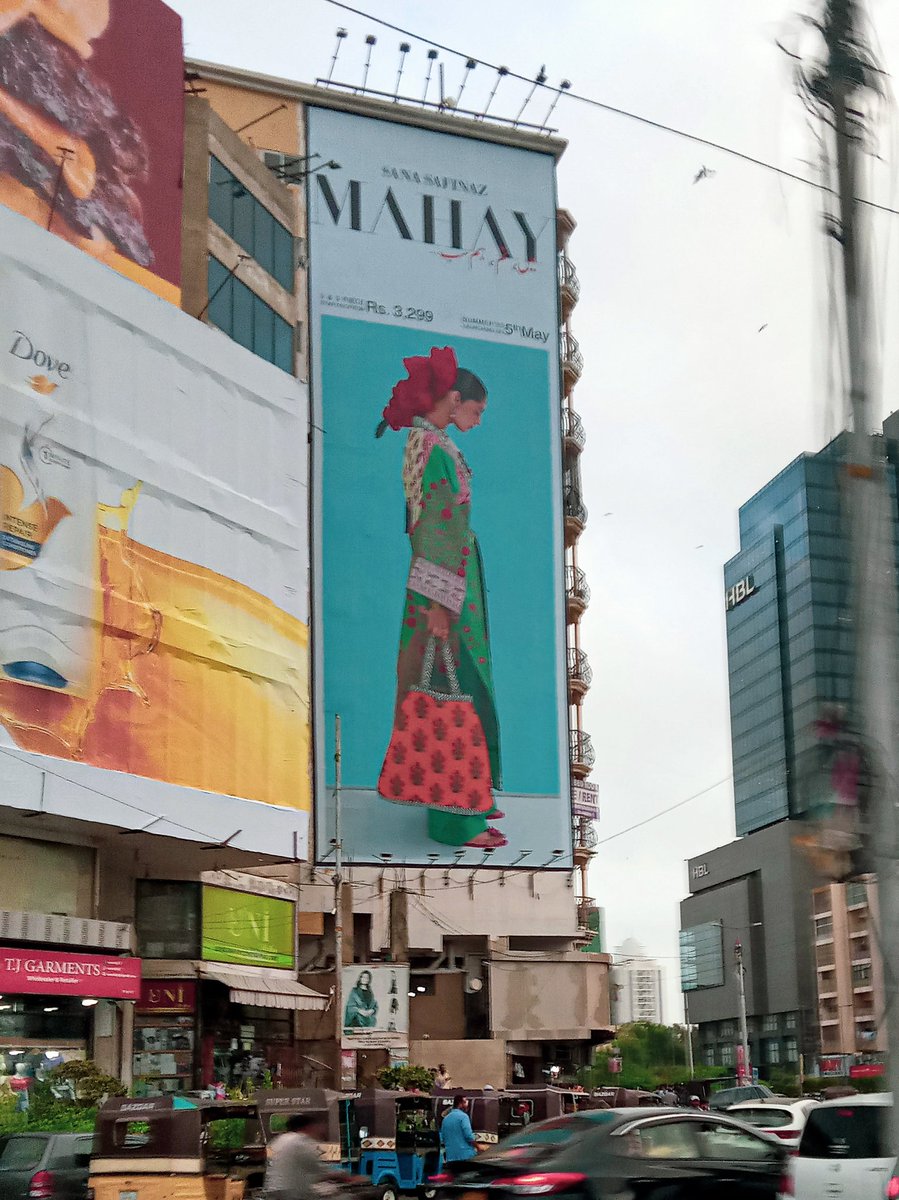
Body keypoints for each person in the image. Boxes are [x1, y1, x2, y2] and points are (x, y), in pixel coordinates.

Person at [376, 345, 504, 849]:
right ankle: (455, 818)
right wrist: (440, 606)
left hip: (448, 584)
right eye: (475, 411)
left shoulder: (429, 444)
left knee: (453, 688)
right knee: (453, 689)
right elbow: (436, 527)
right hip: (444, 590)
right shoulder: (431, 450)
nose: (476, 422)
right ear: (454, 399)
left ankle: (469, 802)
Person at [265, 1112, 328, 1200]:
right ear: (307, 1127)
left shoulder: (279, 1139)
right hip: (290, 1193)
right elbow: (317, 1168)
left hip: (273, 1190)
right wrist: (343, 1176)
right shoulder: (300, 1141)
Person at [440, 1094, 477, 1163]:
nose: (467, 1105)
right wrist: (478, 1146)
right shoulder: (463, 1117)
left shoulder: (445, 1119)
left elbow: (443, 1137)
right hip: (465, 1156)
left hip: (450, 1157)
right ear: (460, 1104)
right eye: (465, 1102)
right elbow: (468, 1136)